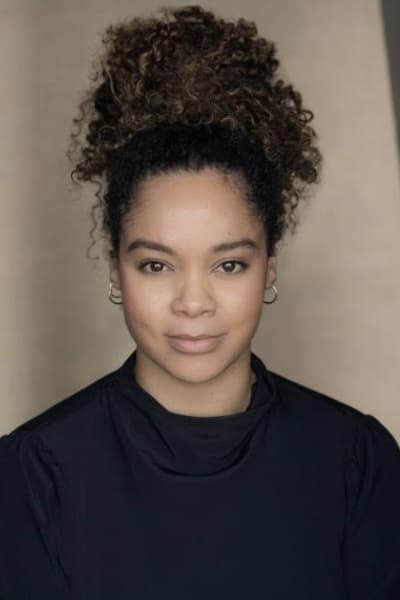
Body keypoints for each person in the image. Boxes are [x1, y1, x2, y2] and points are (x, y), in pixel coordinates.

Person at [1, 5, 399, 599]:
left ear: (269, 268)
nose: (193, 302)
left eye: (229, 264)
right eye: (157, 265)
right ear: (116, 269)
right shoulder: (35, 472)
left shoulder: (356, 460)